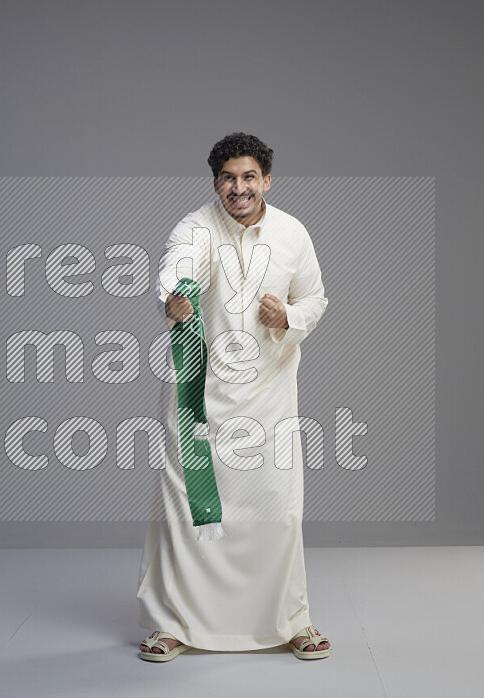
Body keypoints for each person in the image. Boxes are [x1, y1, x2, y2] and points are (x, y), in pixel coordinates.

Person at [137, 132, 330, 661]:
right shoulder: (196, 227)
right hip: (199, 396)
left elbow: (314, 296)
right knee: (186, 512)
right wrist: (176, 296)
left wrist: (287, 317)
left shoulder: (292, 232)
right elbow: (180, 262)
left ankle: (292, 619)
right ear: (215, 182)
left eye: (249, 177)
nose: (238, 188)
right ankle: (173, 623)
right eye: (228, 178)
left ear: (266, 180)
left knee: (280, 509)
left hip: (269, 396)